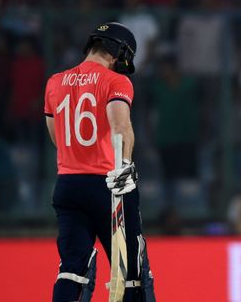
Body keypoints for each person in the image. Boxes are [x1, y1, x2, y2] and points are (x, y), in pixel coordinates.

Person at [44, 22, 155, 301]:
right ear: (118, 52)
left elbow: (57, 136)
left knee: (73, 269)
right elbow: (120, 127)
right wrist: (126, 165)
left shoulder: (54, 82)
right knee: (132, 273)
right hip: (108, 186)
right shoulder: (116, 81)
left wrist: (77, 158)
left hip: (67, 184)